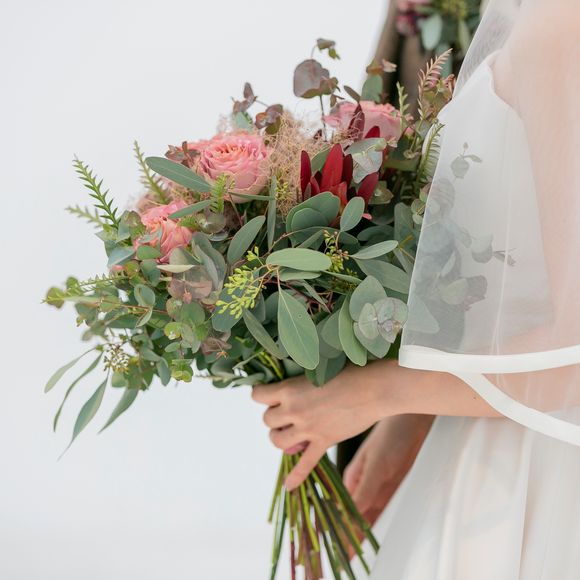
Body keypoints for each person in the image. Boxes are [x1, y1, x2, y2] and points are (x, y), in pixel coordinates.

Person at [253, 0, 580, 577]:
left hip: (534, 476)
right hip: (496, 429)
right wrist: (407, 425)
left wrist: (372, 395)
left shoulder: (560, 28)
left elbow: (571, 359)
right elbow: (517, 297)